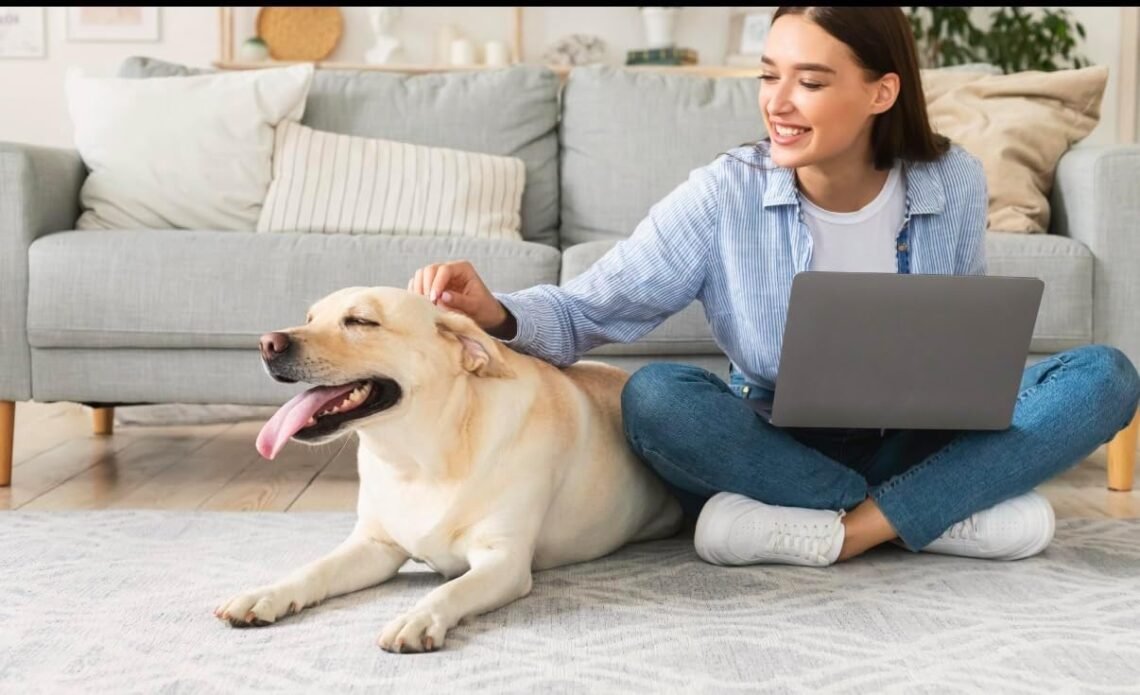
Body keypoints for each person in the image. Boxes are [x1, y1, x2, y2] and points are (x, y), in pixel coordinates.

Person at [409, 7, 1140, 568]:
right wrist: (494, 310)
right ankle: (936, 513)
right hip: (774, 446)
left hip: (919, 438)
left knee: (1104, 375)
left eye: (811, 82)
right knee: (655, 396)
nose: (778, 102)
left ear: (882, 91)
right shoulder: (723, 193)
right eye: (769, 75)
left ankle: (847, 529)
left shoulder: (952, 179)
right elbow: (590, 310)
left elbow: (957, 343)